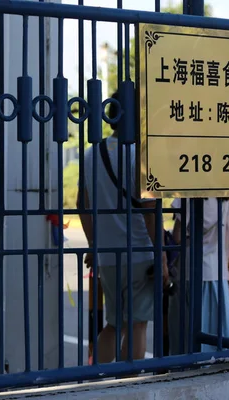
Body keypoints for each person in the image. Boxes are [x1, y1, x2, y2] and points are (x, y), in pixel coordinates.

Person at [77, 92, 168, 363]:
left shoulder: (92, 153)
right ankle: (131, 384)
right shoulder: (139, 155)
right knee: (138, 323)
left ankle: (99, 380)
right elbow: (150, 211)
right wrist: (161, 255)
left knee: (115, 323)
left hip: (108, 255)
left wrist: (95, 245)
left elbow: (83, 205)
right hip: (139, 253)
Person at [168, 198, 229, 354]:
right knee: (216, 332)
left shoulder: (187, 196)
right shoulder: (222, 195)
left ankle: (186, 368)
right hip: (216, 270)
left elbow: (177, 236)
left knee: (186, 333)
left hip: (188, 269)